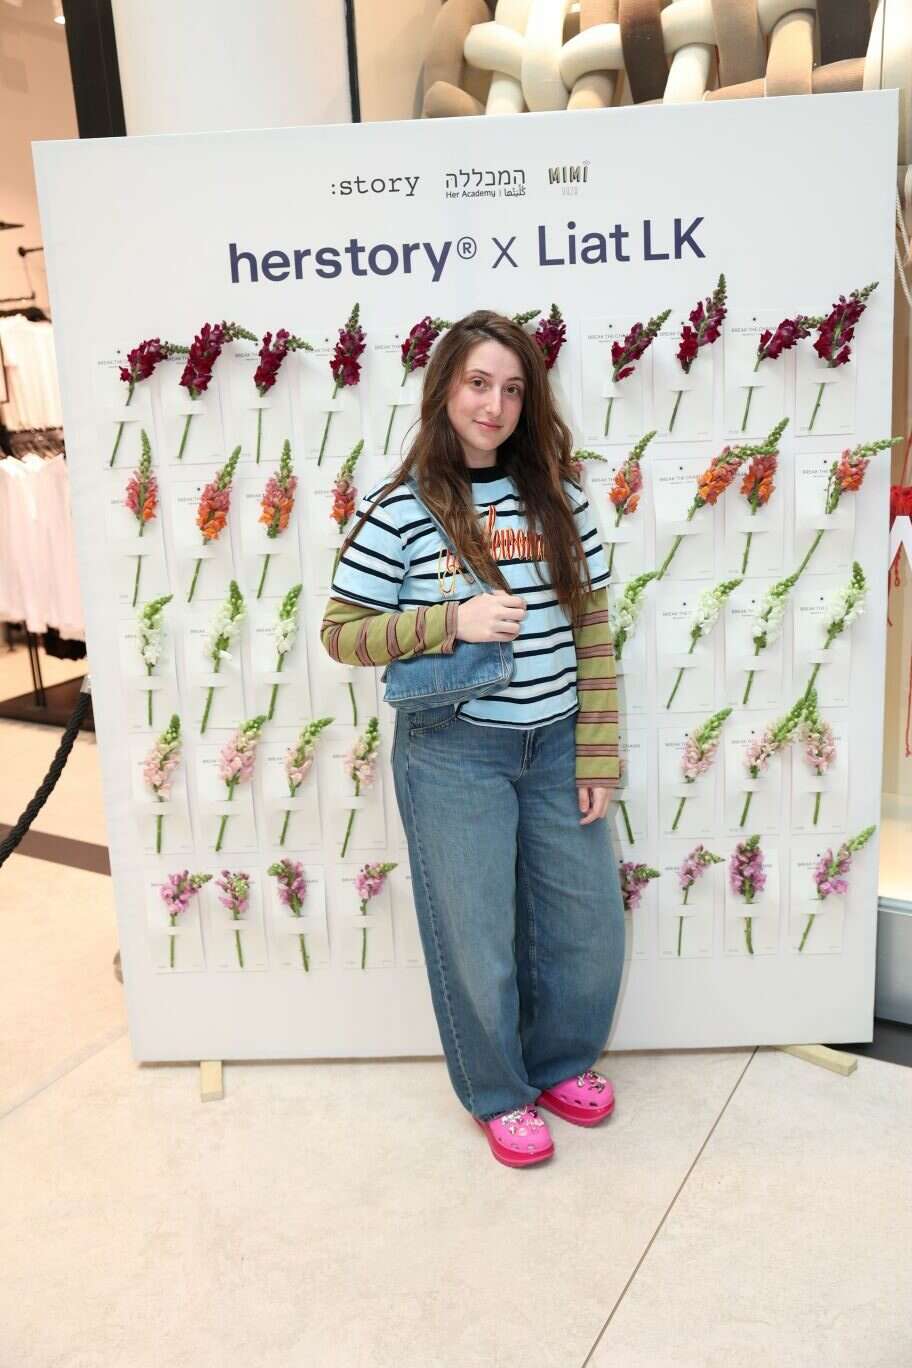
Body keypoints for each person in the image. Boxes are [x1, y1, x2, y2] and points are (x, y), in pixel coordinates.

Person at [321, 309, 625, 1168]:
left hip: (556, 746)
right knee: (477, 936)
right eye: (479, 383)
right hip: (454, 752)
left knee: (587, 929)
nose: (494, 405)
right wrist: (449, 621)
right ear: (445, 390)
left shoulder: (560, 499)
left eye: (513, 389)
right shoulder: (399, 509)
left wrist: (598, 750)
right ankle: (499, 1093)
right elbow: (341, 634)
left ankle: (559, 1063)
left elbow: (593, 632)